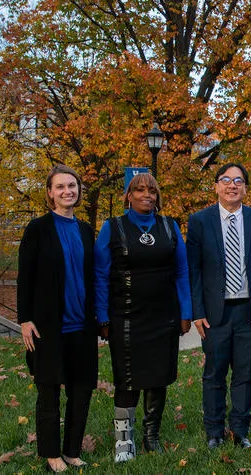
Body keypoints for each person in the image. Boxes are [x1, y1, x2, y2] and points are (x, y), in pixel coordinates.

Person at [94, 173, 192, 463]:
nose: (146, 195)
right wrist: (102, 315)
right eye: (139, 190)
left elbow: (182, 271)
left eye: (151, 190)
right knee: (127, 378)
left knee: (158, 377)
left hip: (163, 316)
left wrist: (185, 312)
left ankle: (152, 437)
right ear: (129, 196)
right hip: (125, 316)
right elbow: (100, 275)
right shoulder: (112, 228)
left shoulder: (169, 226)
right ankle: (125, 441)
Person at [186, 163, 251, 450]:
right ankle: (214, 430)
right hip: (214, 313)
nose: (232, 185)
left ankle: (240, 429)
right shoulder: (199, 221)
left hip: (249, 312)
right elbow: (194, 270)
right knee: (214, 373)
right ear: (216, 185)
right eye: (226, 180)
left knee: (245, 373)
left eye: (238, 180)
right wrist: (197, 311)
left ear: (245, 188)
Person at [18, 164, 98, 472]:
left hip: (82, 326)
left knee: (81, 391)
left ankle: (72, 451)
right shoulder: (37, 229)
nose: (68, 191)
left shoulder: (86, 230)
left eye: (72, 186)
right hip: (47, 328)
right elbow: (25, 277)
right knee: (49, 392)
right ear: (50, 193)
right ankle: (51, 454)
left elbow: (94, 276)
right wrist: (25, 319)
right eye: (61, 186)